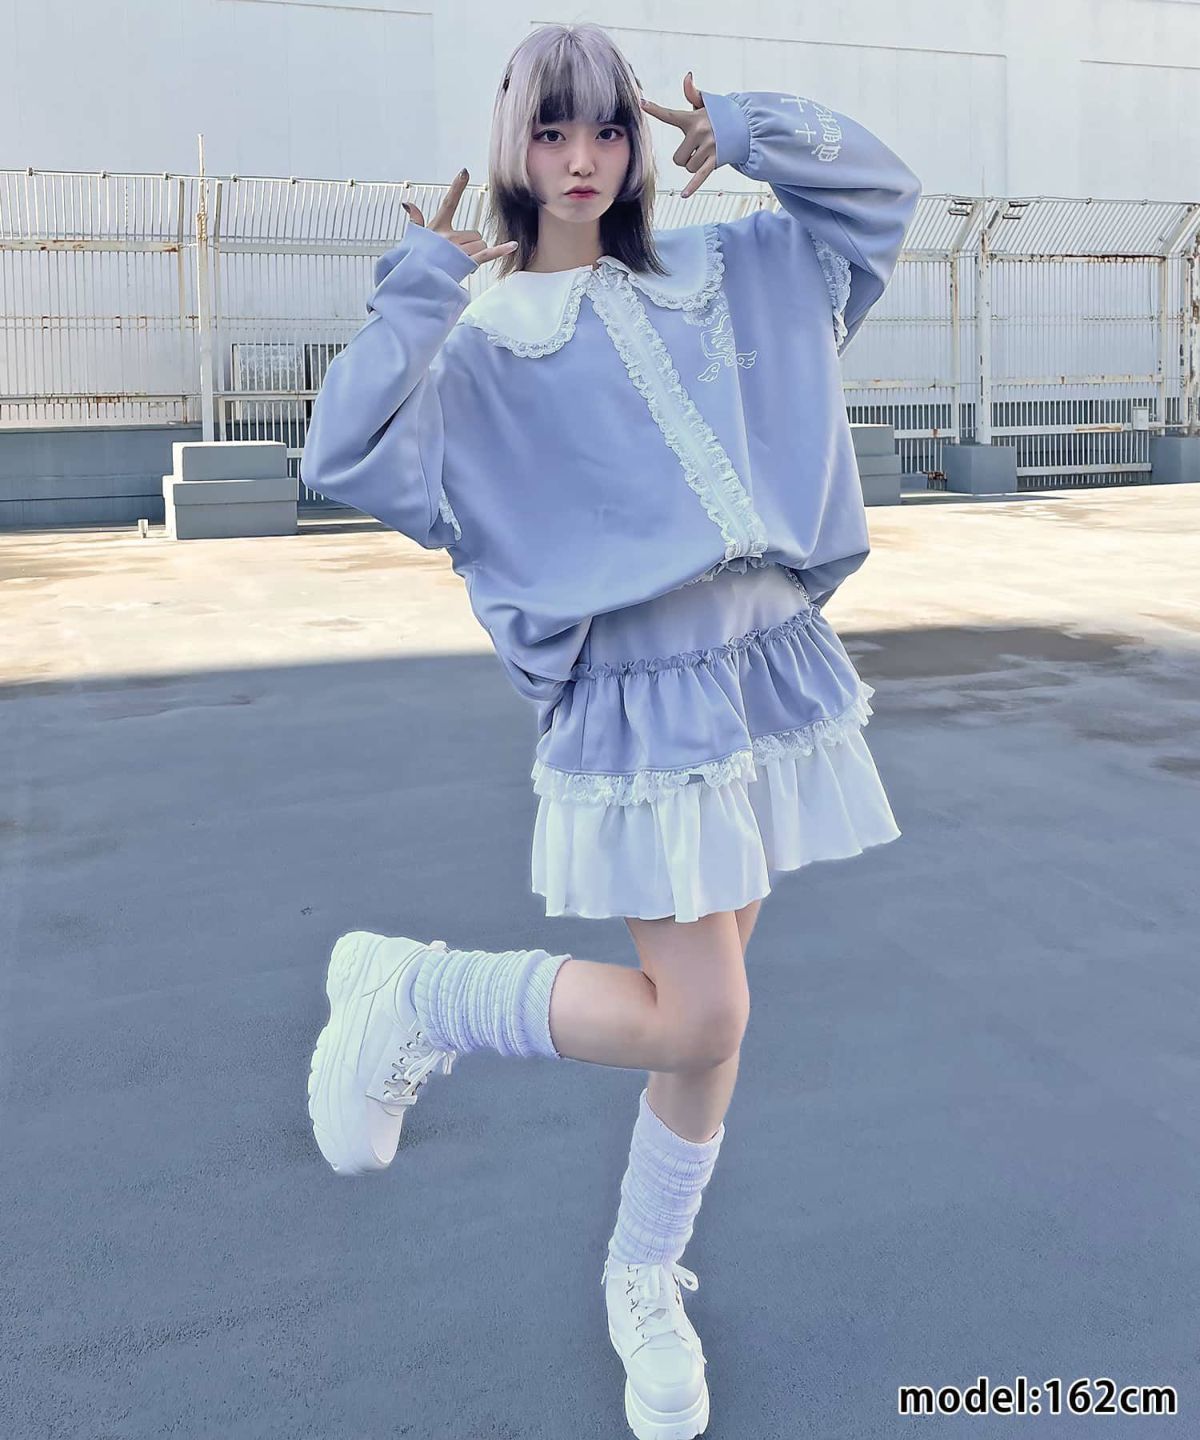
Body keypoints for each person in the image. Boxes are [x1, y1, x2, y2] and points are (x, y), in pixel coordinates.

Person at [303, 20, 921, 1440]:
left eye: (606, 128)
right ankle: (421, 994)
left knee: (709, 1023)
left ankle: (643, 1277)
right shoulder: (484, 341)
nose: (581, 158)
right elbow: (346, 452)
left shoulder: (729, 267)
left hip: (764, 666)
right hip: (642, 697)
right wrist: (420, 290)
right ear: (512, 146)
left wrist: (746, 132)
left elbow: (881, 197)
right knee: (701, 1012)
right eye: (551, 131)